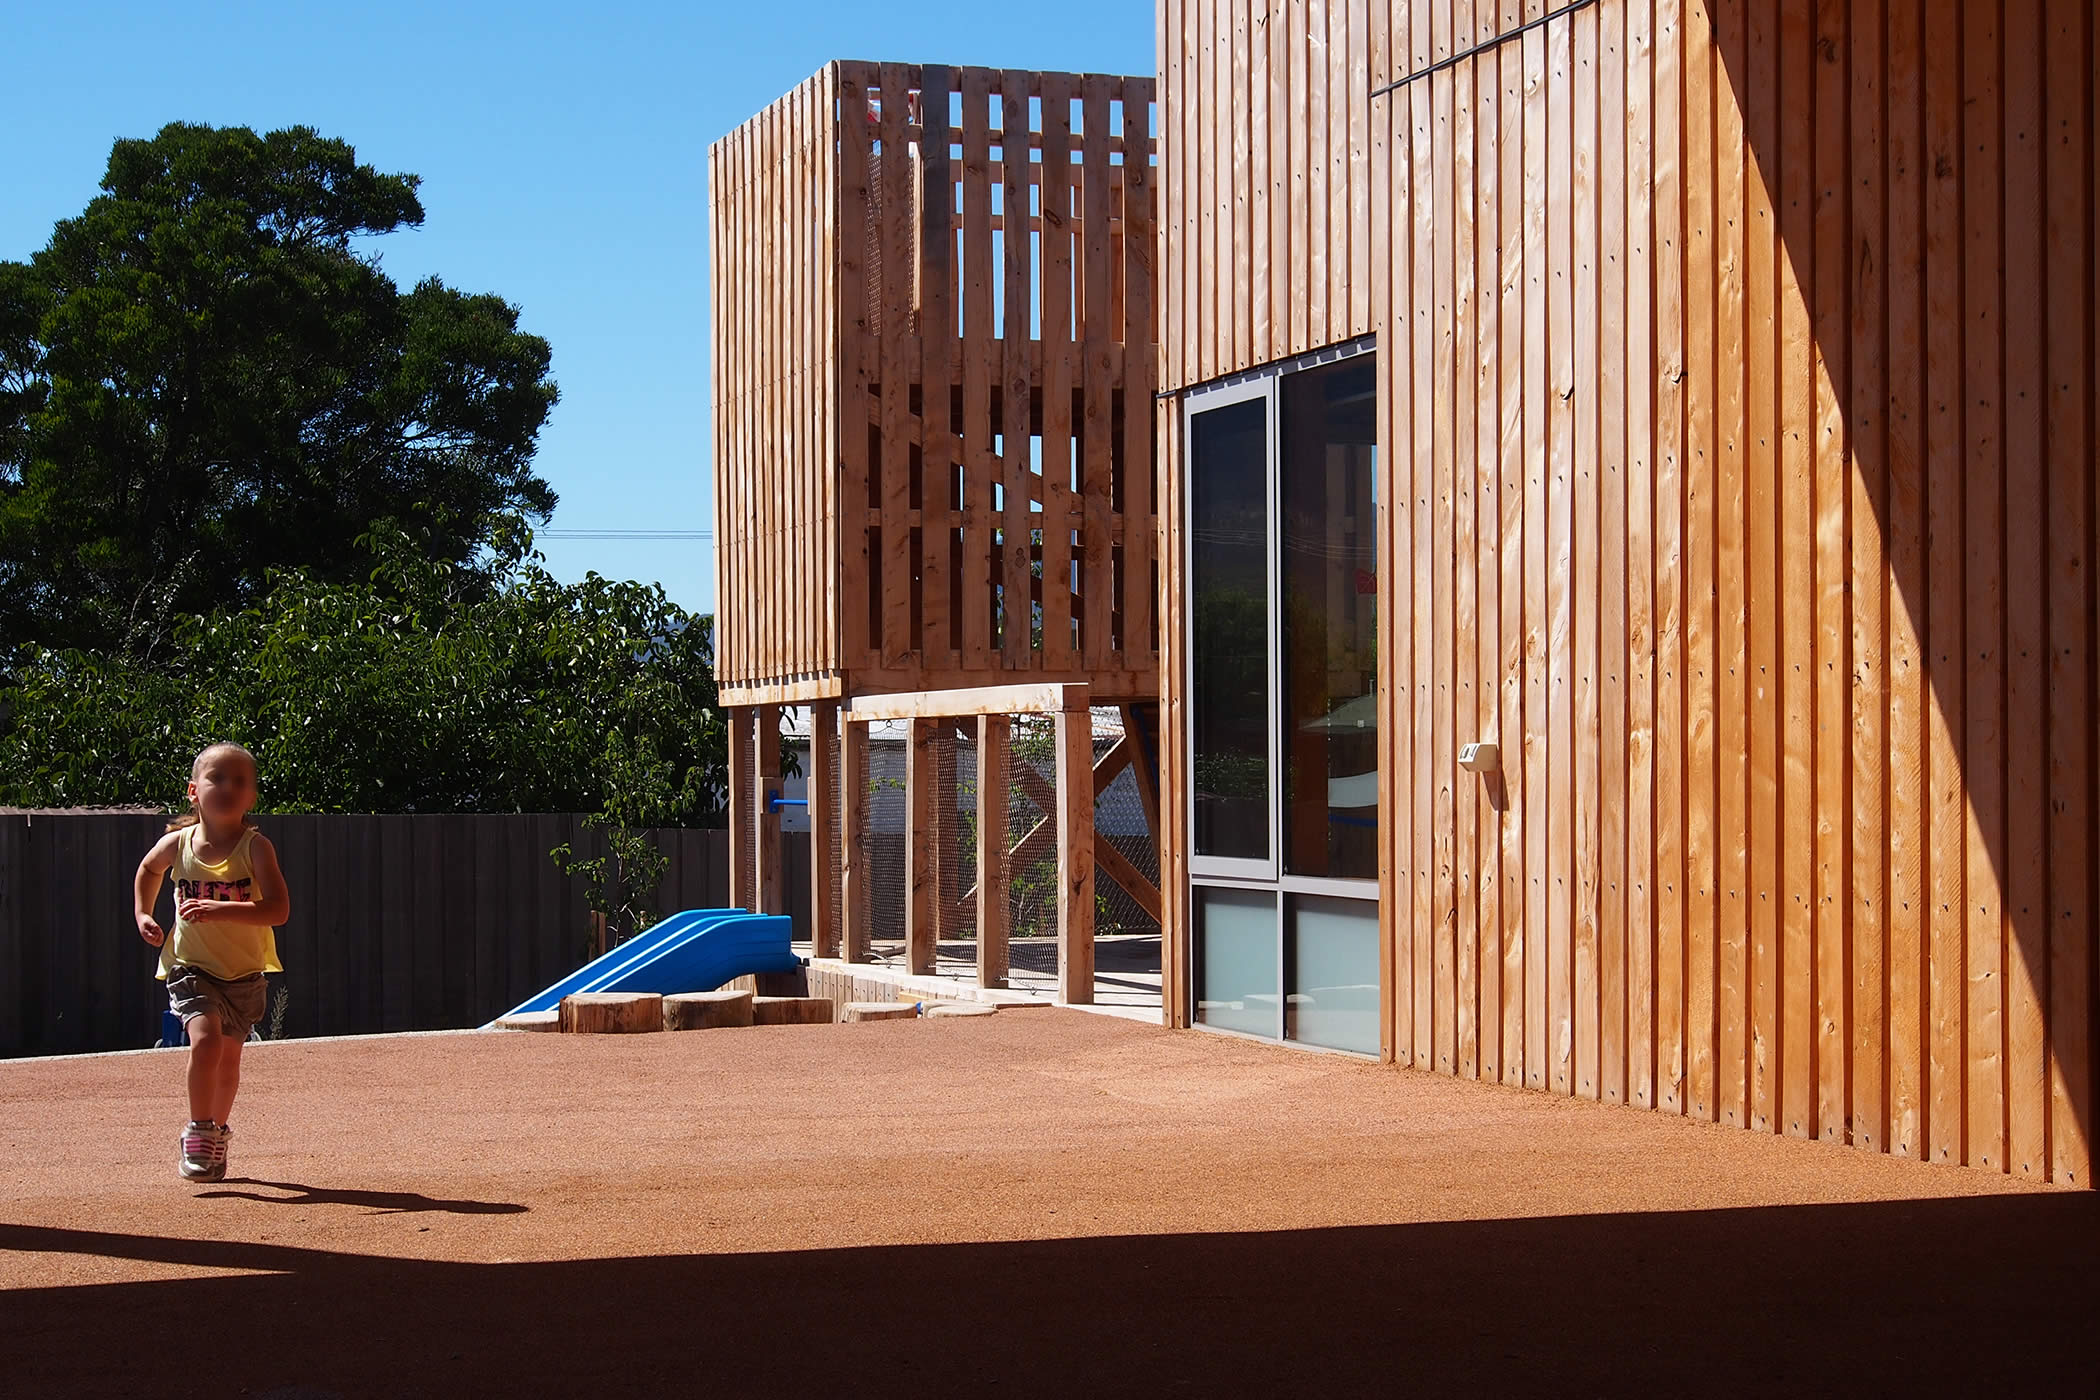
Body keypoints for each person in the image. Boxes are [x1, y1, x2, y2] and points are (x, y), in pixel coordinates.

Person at [132, 743, 290, 1183]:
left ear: (251, 798)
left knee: (230, 1059)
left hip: (244, 973)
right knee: (204, 1041)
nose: (227, 786)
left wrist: (219, 910)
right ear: (193, 791)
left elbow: (277, 910)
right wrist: (144, 914)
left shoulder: (256, 848)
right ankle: (199, 1130)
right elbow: (148, 870)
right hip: (190, 966)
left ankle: (218, 1132)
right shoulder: (176, 844)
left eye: (239, 781)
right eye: (216, 778)